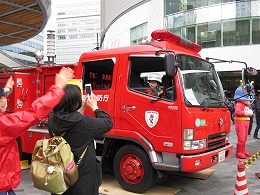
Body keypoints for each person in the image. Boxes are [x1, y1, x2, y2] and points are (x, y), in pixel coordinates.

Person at [0, 67, 74, 195]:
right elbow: (34, 112)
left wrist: (6, 91)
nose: (5, 100)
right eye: (3, 98)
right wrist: (57, 88)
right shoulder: (4, 125)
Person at [47, 84, 113, 195]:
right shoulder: (83, 123)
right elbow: (107, 123)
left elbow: (71, 121)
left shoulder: (52, 119)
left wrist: (80, 108)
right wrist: (95, 107)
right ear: (74, 102)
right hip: (82, 182)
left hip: (60, 179)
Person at [234, 84, 254, 159]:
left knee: (245, 138)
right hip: (240, 122)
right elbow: (237, 112)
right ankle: (239, 152)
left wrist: (250, 113)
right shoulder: (239, 104)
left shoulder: (247, 105)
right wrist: (246, 113)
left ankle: (243, 150)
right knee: (241, 138)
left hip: (246, 122)